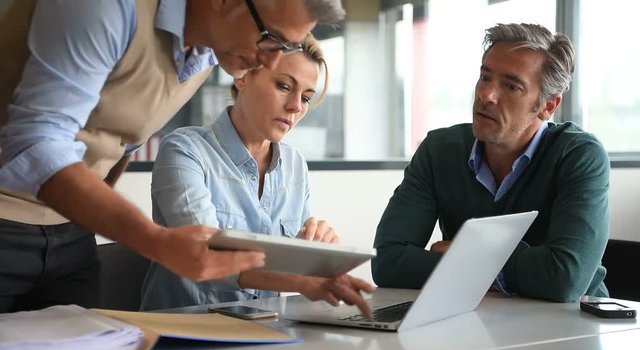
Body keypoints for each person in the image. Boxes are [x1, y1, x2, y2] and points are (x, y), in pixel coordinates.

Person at [0, 0, 346, 313]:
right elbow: (37, 143)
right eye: (270, 37)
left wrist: (306, 274)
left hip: (70, 228)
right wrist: (153, 239)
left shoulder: (205, 58)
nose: (269, 60)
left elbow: (122, 139)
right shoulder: (110, 7)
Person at [371, 23, 610, 303]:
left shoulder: (579, 155)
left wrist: (468, 255)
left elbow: (565, 279)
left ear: (547, 106)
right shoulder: (439, 150)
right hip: (475, 322)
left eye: (511, 86)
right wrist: (514, 267)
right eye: (485, 77)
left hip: (573, 329)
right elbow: (387, 261)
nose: (487, 95)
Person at [140, 33, 373, 317]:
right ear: (242, 77)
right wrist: (301, 281)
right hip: (183, 336)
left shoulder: (295, 165)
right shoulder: (184, 150)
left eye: (306, 98)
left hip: (265, 331)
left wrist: (320, 253)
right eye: (284, 86)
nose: (296, 106)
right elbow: (207, 255)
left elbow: (297, 261)